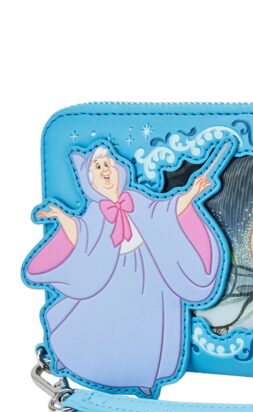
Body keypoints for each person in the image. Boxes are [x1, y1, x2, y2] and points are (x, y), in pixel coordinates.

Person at [26, 145, 224, 395]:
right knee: (105, 320)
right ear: (89, 179)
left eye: (107, 164)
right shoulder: (96, 211)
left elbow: (166, 212)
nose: (105, 170)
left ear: (118, 169)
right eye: (98, 167)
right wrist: (60, 216)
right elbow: (81, 233)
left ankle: (144, 377)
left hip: (149, 274)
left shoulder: (136, 199)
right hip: (112, 277)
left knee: (150, 325)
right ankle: (90, 361)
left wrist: (193, 192)